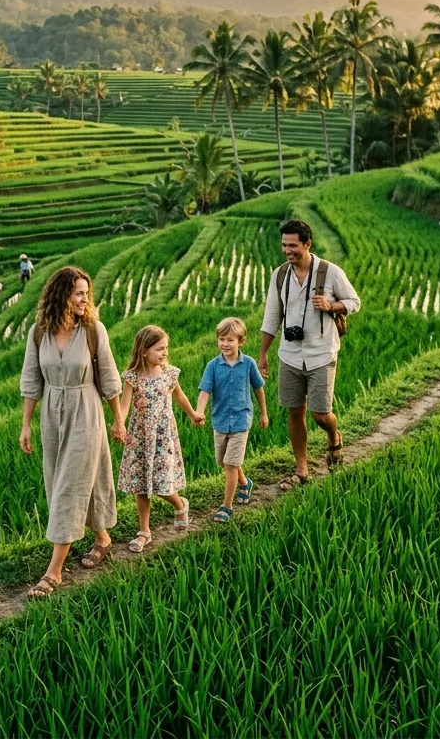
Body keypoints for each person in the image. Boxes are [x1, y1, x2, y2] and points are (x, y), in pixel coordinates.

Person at [19, 266, 126, 600]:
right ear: (61, 294)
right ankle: (103, 539)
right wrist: (26, 424)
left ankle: (54, 572)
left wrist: (118, 420)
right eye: (78, 292)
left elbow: (108, 377)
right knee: (69, 480)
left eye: (86, 293)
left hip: (86, 411)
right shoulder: (39, 332)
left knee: (69, 484)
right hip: (52, 412)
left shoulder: (94, 330)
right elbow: (31, 378)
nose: (84, 299)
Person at [258, 219, 360, 490]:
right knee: (295, 412)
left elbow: (354, 302)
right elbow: (271, 316)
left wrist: (331, 304)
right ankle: (301, 470)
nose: (287, 250)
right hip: (290, 354)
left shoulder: (329, 272)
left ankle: (333, 436)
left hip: (322, 353)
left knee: (320, 413)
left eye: (292, 245)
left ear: (307, 244)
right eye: (284, 245)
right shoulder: (279, 275)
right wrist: (263, 354)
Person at [117, 325, 203, 552]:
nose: (165, 353)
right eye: (159, 349)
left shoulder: (169, 373)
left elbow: (180, 396)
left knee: (163, 484)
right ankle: (144, 531)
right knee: (141, 486)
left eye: (166, 348)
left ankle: (179, 503)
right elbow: (124, 406)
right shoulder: (132, 377)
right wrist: (119, 424)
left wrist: (193, 414)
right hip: (140, 436)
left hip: (163, 435)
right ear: (144, 351)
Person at [195, 317, 268, 524]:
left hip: (241, 421)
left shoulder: (249, 364)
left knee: (230, 464)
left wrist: (263, 414)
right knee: (226, 462)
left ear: (241, 342)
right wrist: (199, 412)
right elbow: (204, 391)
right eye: (221, 339)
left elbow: (258, 389)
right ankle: (245, 483)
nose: (225, 344)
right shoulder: (213, 366)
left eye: (230, 340)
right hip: (219, 421)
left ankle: (227, 506)